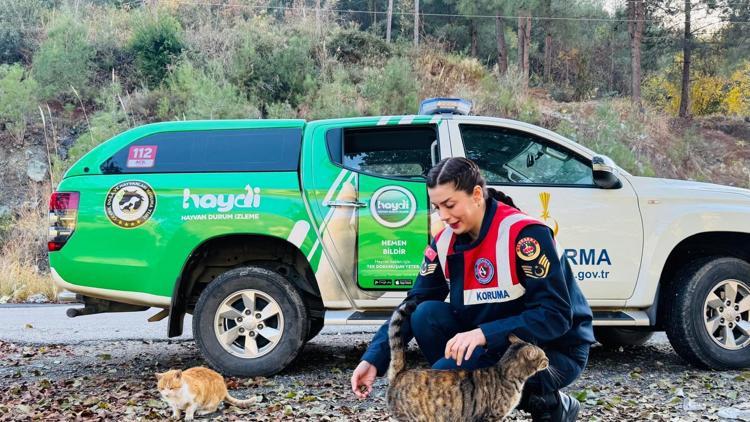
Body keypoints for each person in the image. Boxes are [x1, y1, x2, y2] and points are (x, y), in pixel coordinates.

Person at [350, 157, 596, 422]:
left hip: (553, 350)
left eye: (450, 204)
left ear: (477, 195)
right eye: (437, 207)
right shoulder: (444, 241)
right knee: (425, 314)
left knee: (448, 381)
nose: (443, 216)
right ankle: (476, 403)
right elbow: (412, 304)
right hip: (493, 344)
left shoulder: (525, 235)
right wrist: (374, 358)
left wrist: (484, 333)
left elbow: (555, 316)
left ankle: (546, 402)